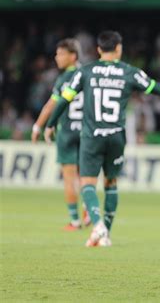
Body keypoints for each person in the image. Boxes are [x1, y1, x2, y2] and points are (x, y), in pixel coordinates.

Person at [45, 31, 160, 247]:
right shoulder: (129, 72)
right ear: (119, 48)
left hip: (92, 137)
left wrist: (51, 123)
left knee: (88, 184)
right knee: (111, 184)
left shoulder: (86, 72)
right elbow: (157, 88)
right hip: (116, 137)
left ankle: (98, 226)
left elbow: (64, 99)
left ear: (99, 50)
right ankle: (105, 236)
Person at [31, 38, 90, 231]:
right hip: (87, 132)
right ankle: (88, 207)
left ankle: (74, 221)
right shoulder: (88, 75)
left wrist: (38, 126)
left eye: (61, 54)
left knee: (69, 177)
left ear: (73, 56)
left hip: (67, 132)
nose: (57, 58)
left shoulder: (65, 78)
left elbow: (51, 105)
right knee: (86, 177)